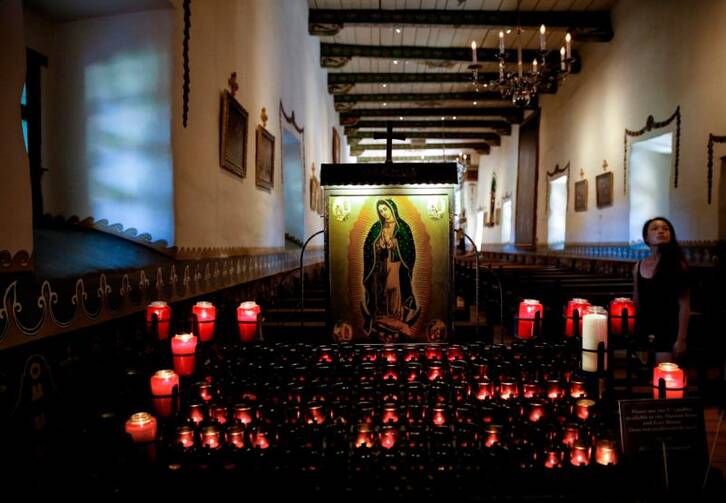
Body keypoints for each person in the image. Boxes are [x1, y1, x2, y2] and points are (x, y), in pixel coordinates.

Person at [633, 217, 690, 362]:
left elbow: (684, 305)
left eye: (665, 228)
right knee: (641, 376)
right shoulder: (639, 266)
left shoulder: (678, 265)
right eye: (655, 228)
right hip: (644, 328)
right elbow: (637, 300)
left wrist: (681, 340)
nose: (661, 231)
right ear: (646, 237)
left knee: (662, 377)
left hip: (668, 329)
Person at [361, 199, 419, 341]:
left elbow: (409, 250)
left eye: (385, 209)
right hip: (380, 266)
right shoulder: (377, 227)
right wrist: (378, 246)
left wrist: (394, 243)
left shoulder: (402, 227)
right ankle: (382, 317)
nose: (383, 213)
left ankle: (396, 318)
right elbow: (368, 247)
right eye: (380, 211)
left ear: (392, 209)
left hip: (396, 265)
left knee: (394, 289)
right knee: (381, 290)